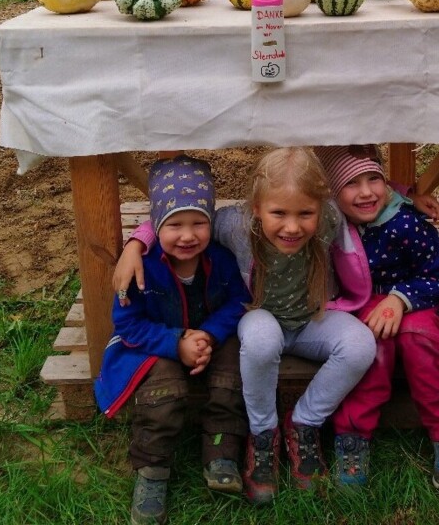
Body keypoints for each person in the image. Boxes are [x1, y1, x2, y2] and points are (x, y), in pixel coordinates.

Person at [113, 147, 378, 505]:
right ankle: (262, 432)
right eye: (278, 213)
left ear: (321, 207)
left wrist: (413, 198)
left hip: (313, 318)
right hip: (260, 315)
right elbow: (181, 216)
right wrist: (136, 242)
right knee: (260, 339)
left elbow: (375, 201)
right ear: (255, 208)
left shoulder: (331, 218)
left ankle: (304, 423)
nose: (292, 226)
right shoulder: (234, 225)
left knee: (360, 344)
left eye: (305, 213)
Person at [94, 155, 251, 525]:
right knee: (162, 396)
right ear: (155, 225)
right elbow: (129, 326)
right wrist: (176, 343)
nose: (187, 235)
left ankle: (221, 452)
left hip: (211, 336)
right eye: (174, 224)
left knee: (230, 380)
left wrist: (209, 334)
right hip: (155, 343)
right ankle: (152, 471)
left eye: (198, 222)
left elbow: (238, 301)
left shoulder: (221, 259)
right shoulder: (140, 268)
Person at [314, 145, 439, 492]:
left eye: (375, 179)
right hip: (361, 305)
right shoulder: (330, 222)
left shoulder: (406, 224)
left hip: (414, 301)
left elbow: (435, 276)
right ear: (332, 193)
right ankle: (352, 437)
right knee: (369, 351)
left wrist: (399, 300)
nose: (367, 191)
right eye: (352, 183)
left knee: (421, 344)